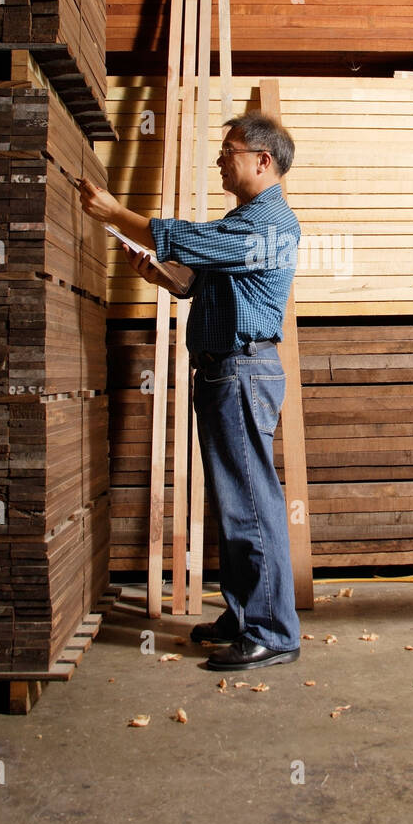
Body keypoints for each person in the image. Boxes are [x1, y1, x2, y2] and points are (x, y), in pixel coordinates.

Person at [77, 112, 302, 670]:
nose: (221, 158)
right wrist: (158, 274)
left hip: (242, 371)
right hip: (225, 372)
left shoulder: (269, 225)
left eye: (229, 150)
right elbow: (196, 278)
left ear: (262, 160)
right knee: (233, 501)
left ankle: (273, 632)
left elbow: (191, 240)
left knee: (250, 500)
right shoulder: (244, 221)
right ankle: (244, 613)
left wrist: (117, 214)